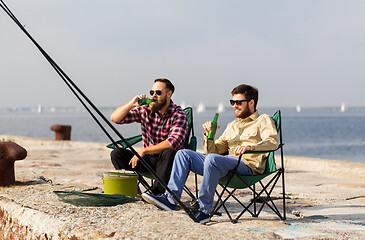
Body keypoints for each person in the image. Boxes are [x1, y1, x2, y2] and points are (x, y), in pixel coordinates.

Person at [142, 84, 279, 223]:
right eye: (232, 102)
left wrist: (250, 147)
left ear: (251, 102)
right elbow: (213, 151)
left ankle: (204, 210)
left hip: (247, 167)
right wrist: (209, 136)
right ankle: (171, 199)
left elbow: (273, 142)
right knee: (183, 154)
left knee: (212, 159)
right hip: (225, 165)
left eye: (238, 102)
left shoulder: (263, 120)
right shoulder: (232, 125)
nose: (234, 106)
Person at [110, 78, 188, 195]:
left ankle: (156, 194)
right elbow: (115, 118)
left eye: (158, 93)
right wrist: (132, 104)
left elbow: (172, 142)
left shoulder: (178, 114)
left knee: (169, 151)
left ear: (169, 94)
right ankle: (133, 190)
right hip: (148, 161)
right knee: (117, 154)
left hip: (168, 162)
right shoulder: (145, 110)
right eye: (152, 92)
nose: (153, 96)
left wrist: (144, 150)